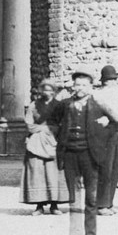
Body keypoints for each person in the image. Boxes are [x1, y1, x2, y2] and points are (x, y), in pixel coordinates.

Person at [55, 69, 114, 235]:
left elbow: (116, 124)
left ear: (90, 87)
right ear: (73, 86)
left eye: (84, 85)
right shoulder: (65, 105)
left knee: (91, 198)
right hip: (70, 154)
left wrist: (106, 124)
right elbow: (53, 121)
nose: (80, 88)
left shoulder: (98, 104)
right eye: (77, 84)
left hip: (90, 155)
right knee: (73, 197)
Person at [21, 79, 68, 214]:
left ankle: (54, 205)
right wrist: (41, 129)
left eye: (50, 90)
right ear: (41, 91)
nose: (47, 92)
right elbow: (29, 123)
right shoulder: (33, 105)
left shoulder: (59, 106)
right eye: (45, 90)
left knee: (54, 174)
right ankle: (39, 206)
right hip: (36, 142)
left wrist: (54, 131)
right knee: (37, 173)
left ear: (54, 91)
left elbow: (63, 123)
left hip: (54, 141)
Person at [92, 64, 118, 215]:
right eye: (110, 80)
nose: (113, 82)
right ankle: (101, 205)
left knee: (115, 170)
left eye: (114, 79)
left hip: (117, 131)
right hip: (104, 134)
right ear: (104, 81)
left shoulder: (115, 92)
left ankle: (109, 203)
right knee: (105, 169)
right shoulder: (97, 95)